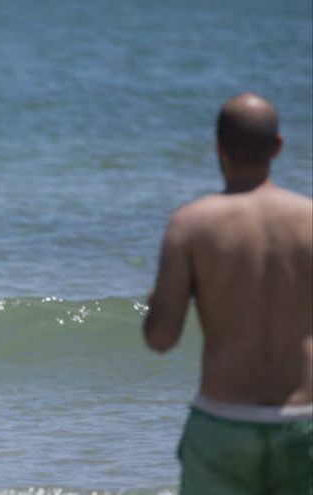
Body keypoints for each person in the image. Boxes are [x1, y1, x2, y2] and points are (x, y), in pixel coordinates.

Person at [143, 93, 312, 493]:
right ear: (278, 146)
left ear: (218, 147)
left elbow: (161, 339)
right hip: (303, 424)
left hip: (223, 424)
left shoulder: (190, 225)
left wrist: (156, 303)